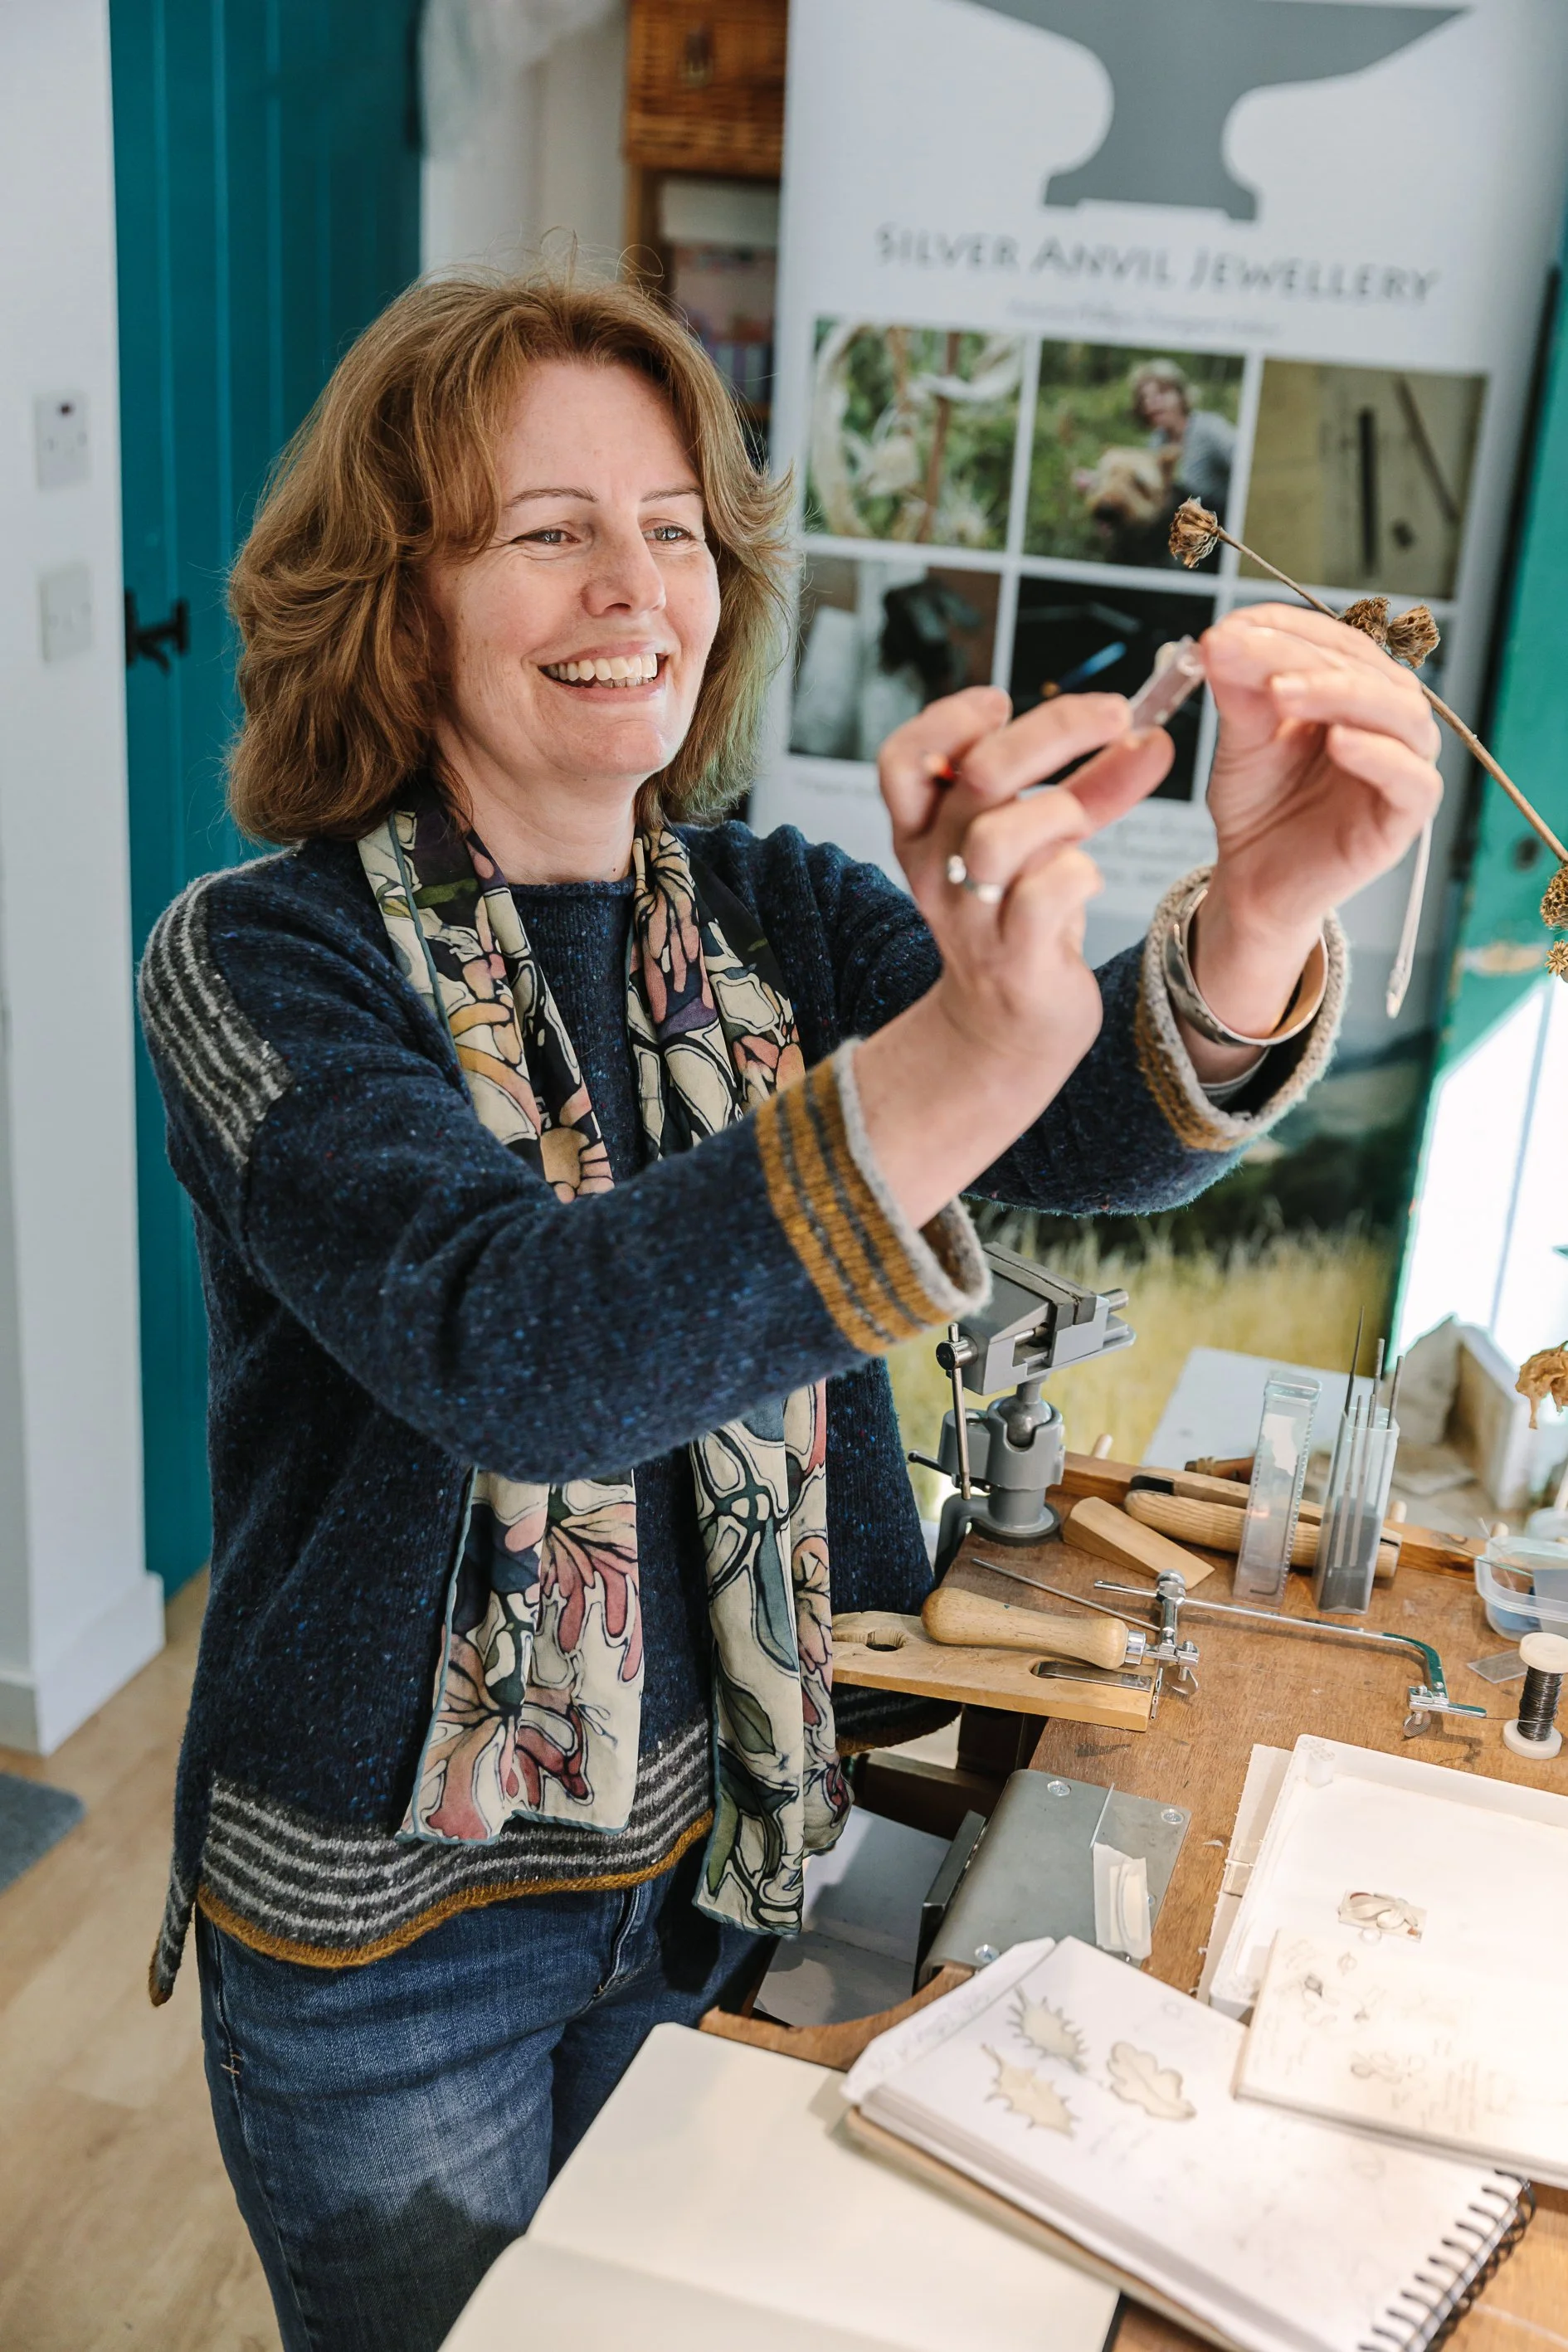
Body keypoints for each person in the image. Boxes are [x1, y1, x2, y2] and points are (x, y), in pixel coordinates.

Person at [138, 273, 1443, 2352]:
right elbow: (523, 1347)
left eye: (673, 526)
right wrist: (950, 1062)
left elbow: (1091, 1126)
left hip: (717, 1849)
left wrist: (1264, 902)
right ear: (397, 589)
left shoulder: (760, 906)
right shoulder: (256, 961)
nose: (632, 582)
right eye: (544, 526)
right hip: (390, 1953)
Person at [1132, 356, 1236, 524]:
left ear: (1181, 395)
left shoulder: (1210, 428)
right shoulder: (1156, 442)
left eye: (1162, 392)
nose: (1152, 402)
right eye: (1145, 398)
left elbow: (1248, 462)